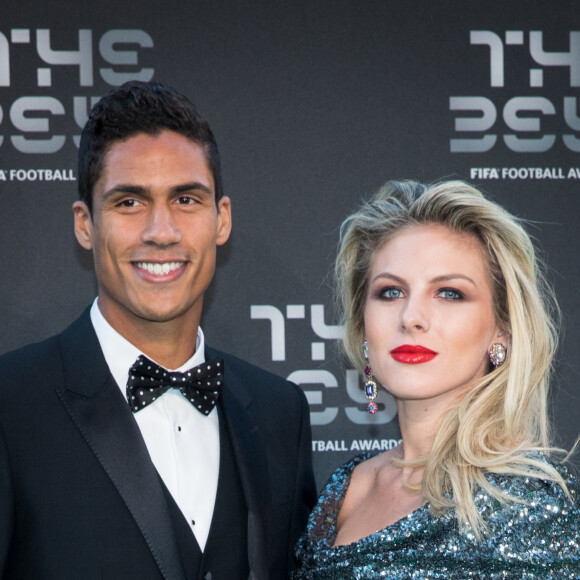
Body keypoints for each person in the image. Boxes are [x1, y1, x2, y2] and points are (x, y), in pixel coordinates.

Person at [0, 81, 316, 580]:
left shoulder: (280, 413)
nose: (161, 231)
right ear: (86, 224)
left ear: (221, 219)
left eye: (186, 199)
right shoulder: (10, 402)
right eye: (129, 203)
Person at [293, 180, 580, 578]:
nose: (411, 317)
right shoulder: (345, 487)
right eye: (390, 292)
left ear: (502, 331)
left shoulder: (531, 503)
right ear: (362, 327)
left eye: (448, 293)